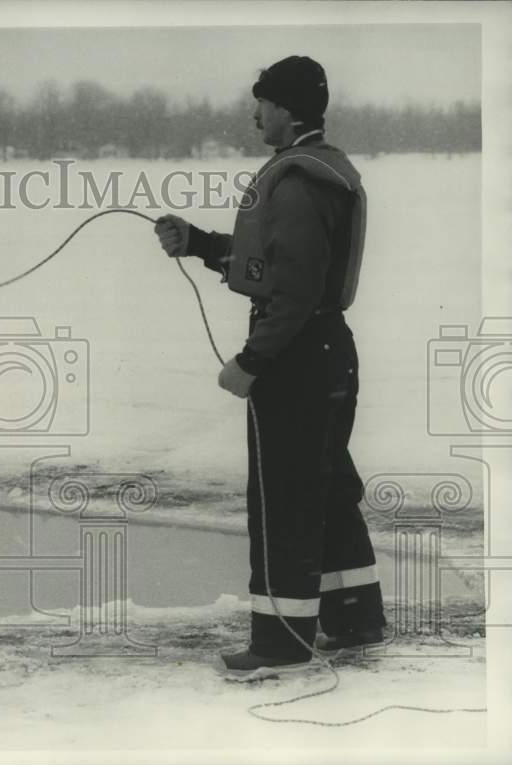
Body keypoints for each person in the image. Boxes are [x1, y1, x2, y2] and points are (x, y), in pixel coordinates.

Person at [156, 56, 386, 675]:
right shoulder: (318, 171)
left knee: (285, 497)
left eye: (261, 102)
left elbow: (294, 290)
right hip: (327, 350)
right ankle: (356, 619)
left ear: (287, 109)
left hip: (297, 356)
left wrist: (251, 362)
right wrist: (202, 243)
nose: (254, 112)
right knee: (328, 487)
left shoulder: (298, 180)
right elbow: (276, 265)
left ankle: (282, 644)